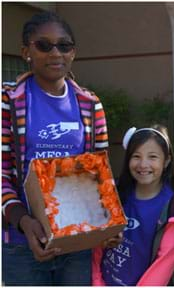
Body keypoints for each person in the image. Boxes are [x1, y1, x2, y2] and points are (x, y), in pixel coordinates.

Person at [2, 11, 109, 286]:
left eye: (64, 45)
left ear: (73, 53)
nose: (56, 53)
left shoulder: (89, 104)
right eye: (44, 45)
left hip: (76, 241)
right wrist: (24, 221)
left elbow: (100, 174)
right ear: (26, 51)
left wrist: (108, 220)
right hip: (21, 244)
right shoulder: (8, 101)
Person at [92, 125, 174, 286]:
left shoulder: (171, 209)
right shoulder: (117, 193)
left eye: (152, 157)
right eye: (136, 156)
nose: (143, 164)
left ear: (167, 160)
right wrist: (98, 282)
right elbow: (97, 246)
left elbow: (163, 265)